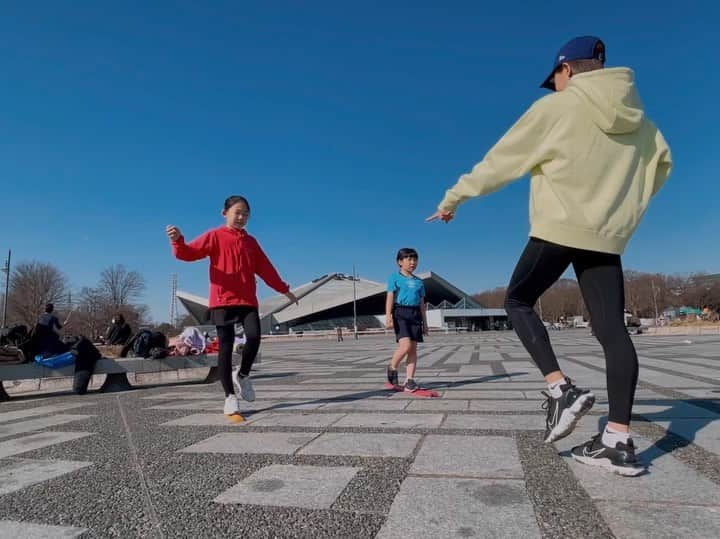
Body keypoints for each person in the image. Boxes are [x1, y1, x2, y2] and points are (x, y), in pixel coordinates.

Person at [427, 36, 672, 476]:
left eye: (553, 79)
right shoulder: (645, 125)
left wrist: (453, 199)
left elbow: (501, 161)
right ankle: (618, 439)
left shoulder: (555, 109)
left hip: (559, 227)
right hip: (607, 236)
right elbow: (662, 167)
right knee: (613, 330)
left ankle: (561, 389)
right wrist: (620, 211)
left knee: (517, 301)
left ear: (567, 70)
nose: (552, 87)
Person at [166, 195, 298, 422]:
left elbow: (266, 269)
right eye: (237, 212)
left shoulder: (251, 242)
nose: (241, 217)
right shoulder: (214, 236)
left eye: (245, 214)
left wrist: (284, 289)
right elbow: (188, 253)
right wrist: (178, 240)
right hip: (222, 301)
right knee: (225, 349)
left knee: (254, 337)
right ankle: (229, 396)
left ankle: (243, 375)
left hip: (247, 300)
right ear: (224, 213)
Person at [385, 248, 429, 392]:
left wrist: (425, 323)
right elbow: (390, 297)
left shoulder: (419, 282)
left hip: (415, 314)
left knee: (413, 350)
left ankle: (409, 380)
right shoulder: (394, 278)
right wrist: (388, 317)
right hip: (400, 313)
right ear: (400, 262)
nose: (413, 262)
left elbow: (422, 304)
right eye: (409, 259)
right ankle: (392, 367)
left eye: (415, 259)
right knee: (405, 346)